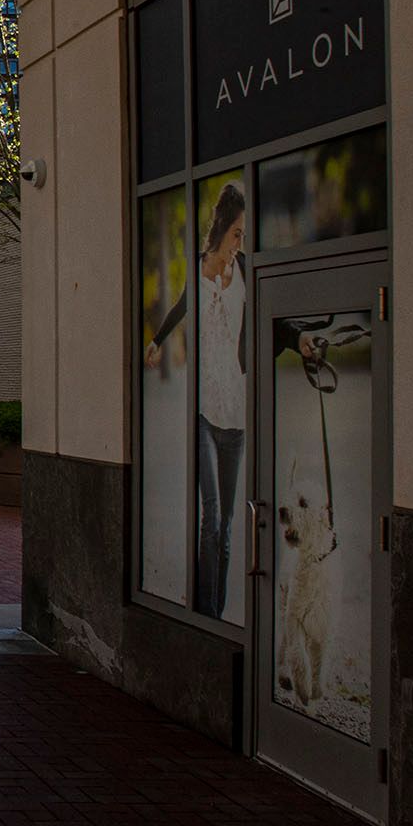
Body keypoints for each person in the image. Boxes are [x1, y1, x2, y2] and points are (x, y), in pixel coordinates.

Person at [141, 181, 248, 615]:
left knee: (226, 529)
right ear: (223, 227)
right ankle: (204, 614)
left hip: (236, 412)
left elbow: (266, 319)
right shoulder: (199, 266)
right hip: (204, 407)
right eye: (238, 233)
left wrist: (299, 342)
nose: (240, 242)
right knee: (213, 517)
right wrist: (157, 340)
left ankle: (216, 615)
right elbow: (183, 305)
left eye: (244, 235)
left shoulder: (247, 271)